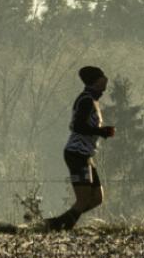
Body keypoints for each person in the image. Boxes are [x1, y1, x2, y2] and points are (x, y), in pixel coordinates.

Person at [45, 66, 116, 231]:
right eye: (103, 76)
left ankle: (55, 224)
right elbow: (78, 126)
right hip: (76, 153)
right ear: (96, 81)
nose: (106, 79)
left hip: (85, 154)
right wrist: (101, 131)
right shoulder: (86, 100)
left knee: (97, 198)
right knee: (83, 199)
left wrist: (100, 131)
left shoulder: (91, 99)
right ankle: (57, 227)